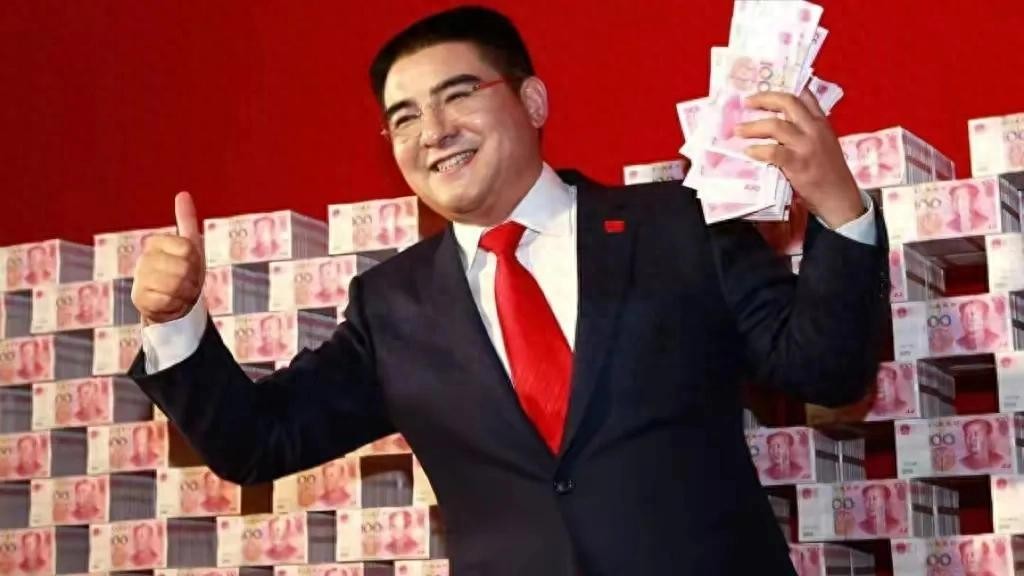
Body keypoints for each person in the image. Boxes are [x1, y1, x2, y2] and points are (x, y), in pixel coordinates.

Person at [128, 6, 888, 574]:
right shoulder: (392, 307)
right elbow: (257, 442)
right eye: (403, 118)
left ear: (531, 102)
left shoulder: (679, 224)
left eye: (457, 95)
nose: (433, 130)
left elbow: (824, 369)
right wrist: (177, 323)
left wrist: (837, 206)